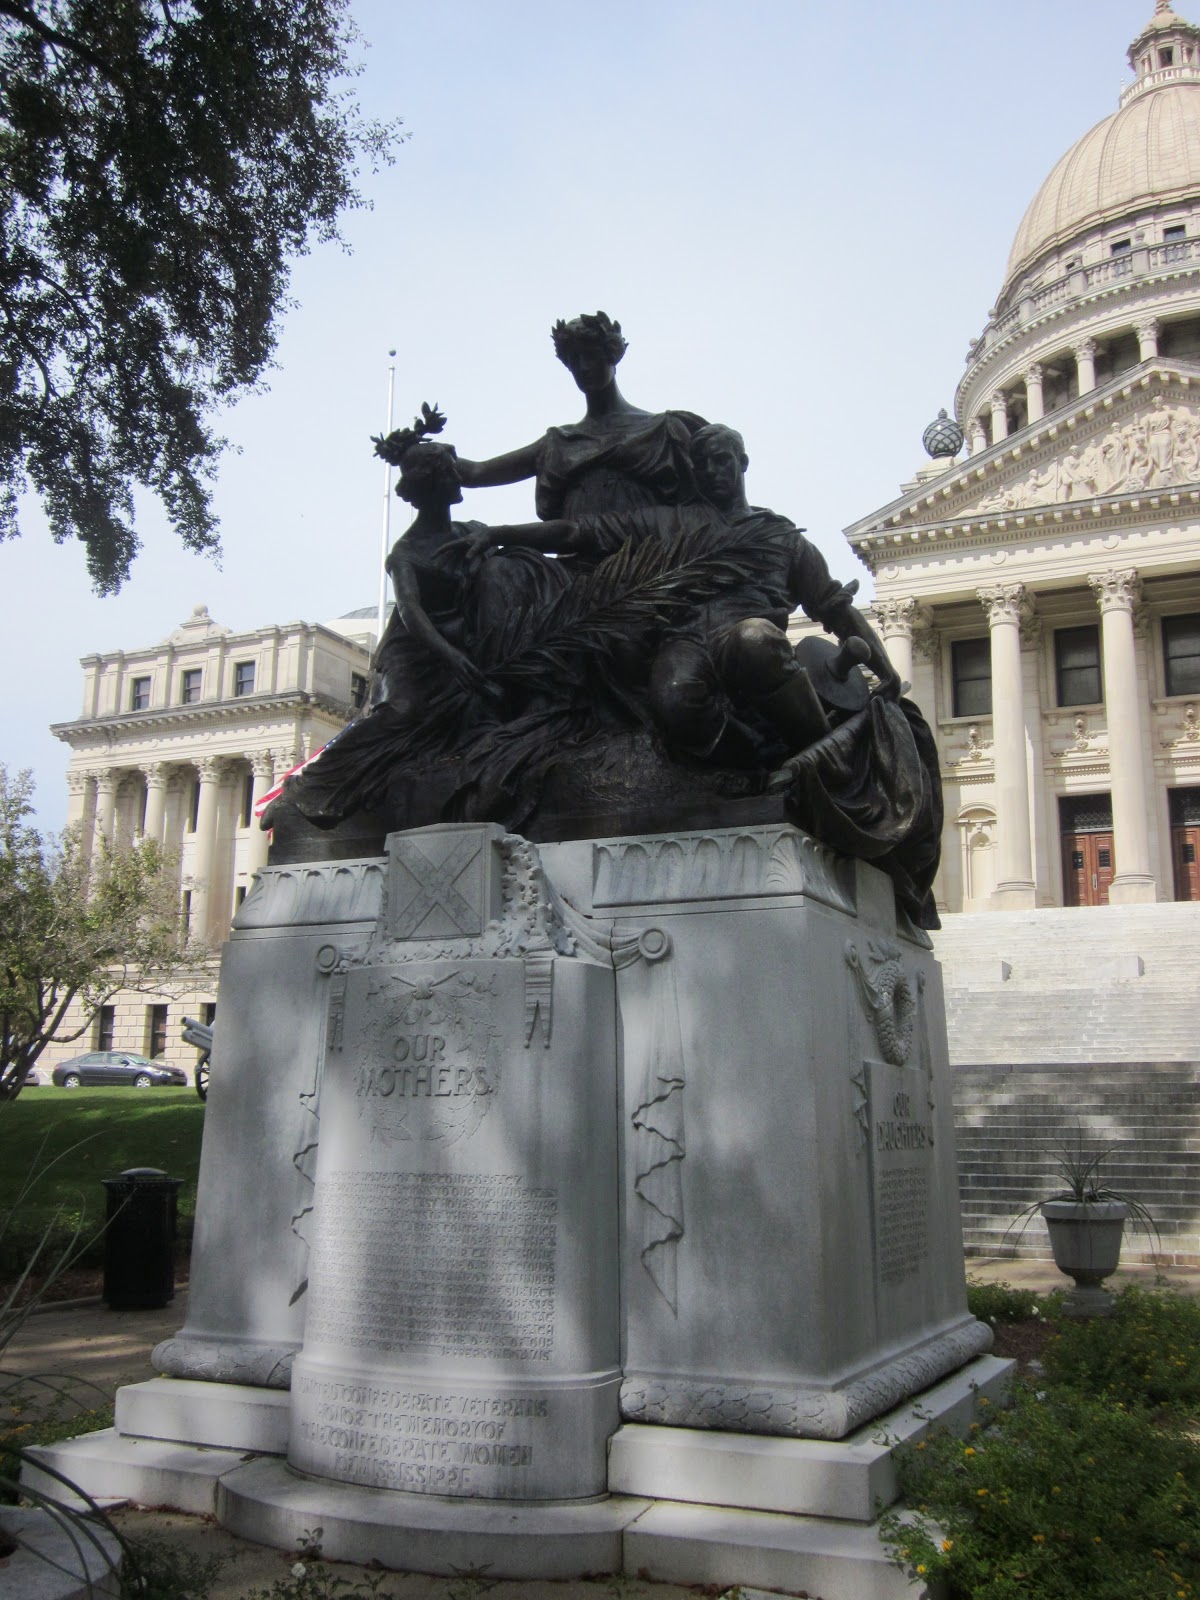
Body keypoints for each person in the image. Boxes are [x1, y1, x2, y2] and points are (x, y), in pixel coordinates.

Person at [646, 423, 900, 761]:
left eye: (720, 460)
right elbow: (594, 531)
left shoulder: (782, 537)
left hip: (747, 643)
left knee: (755, 638)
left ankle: (824, 753)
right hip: (685, 641)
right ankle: (759, 753)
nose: (711, 471)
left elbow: (833, 606)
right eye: (701, 464)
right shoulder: (671, 525)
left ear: (742, 462)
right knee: (675, 696)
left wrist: (885, 670)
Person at [452, 311, 709, 571]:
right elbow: (476, 472)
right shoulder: (558, 443)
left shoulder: (665, 430)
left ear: (611, 355)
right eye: (574, 359)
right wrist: (431, 453)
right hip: (573, 569)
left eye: (591, 355)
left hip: (648, 567)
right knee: (499, 570)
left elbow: (711, 504)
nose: (583, 367)